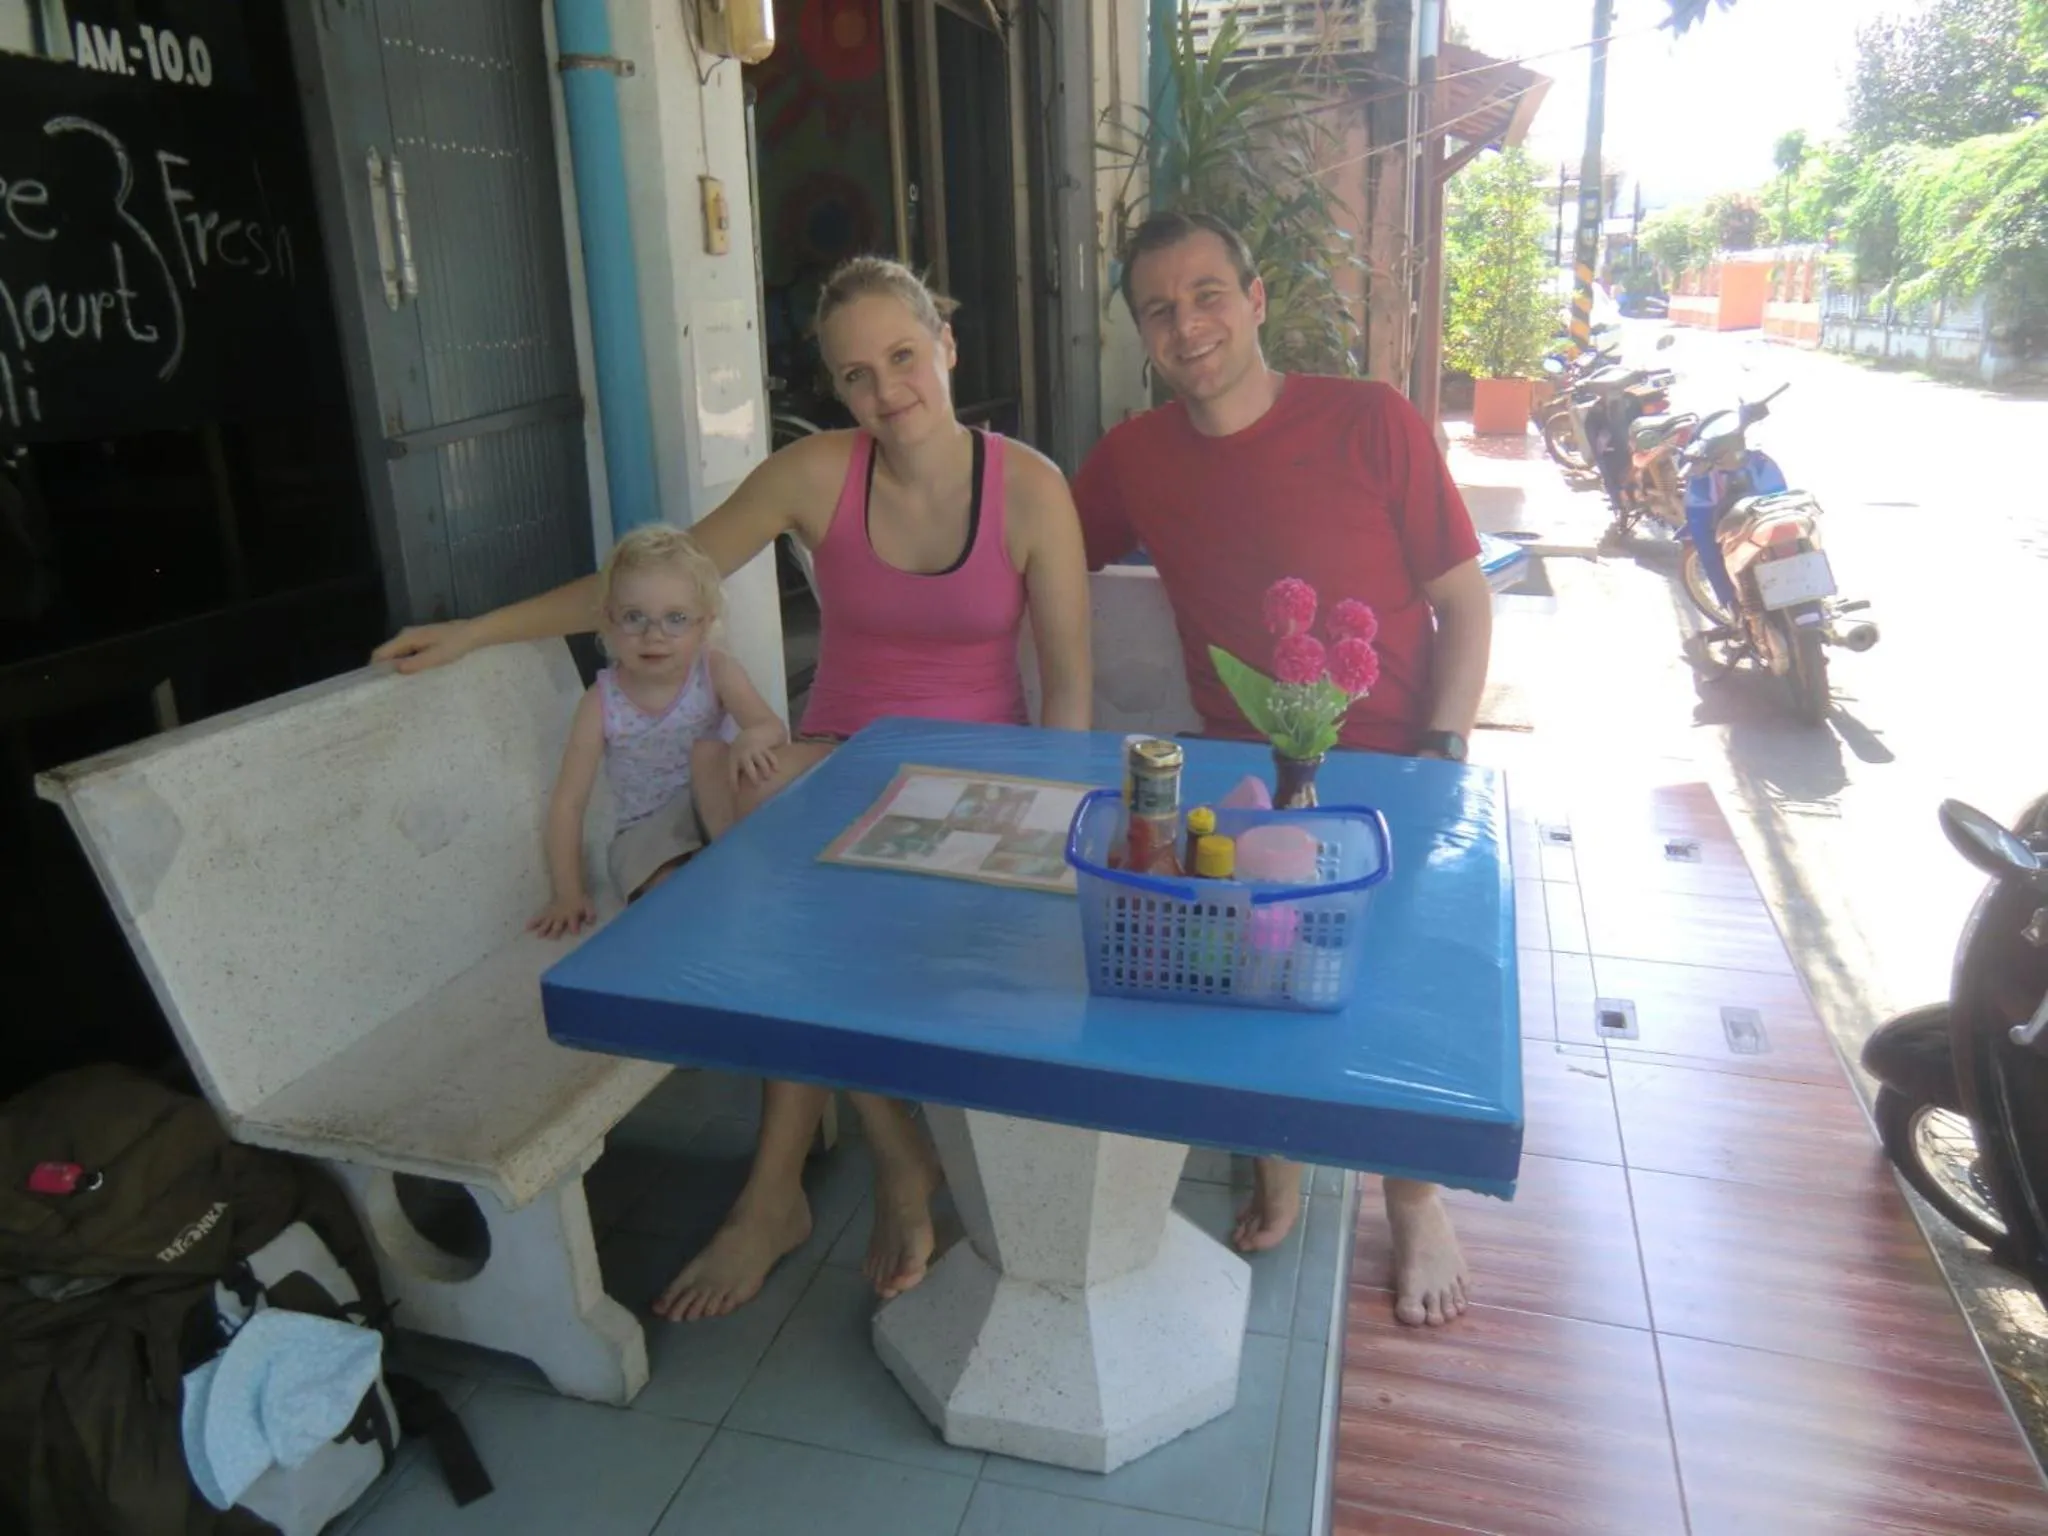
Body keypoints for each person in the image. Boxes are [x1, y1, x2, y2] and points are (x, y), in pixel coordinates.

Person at [373, 256, 1093, 1321]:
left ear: (945, 344)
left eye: (902, 356)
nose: (887, 391)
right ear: (836, 393)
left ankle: (781, 1198)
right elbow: (648, 586)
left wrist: (1055, 841)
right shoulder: (815, 478)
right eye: (856, 375)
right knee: (750, 811)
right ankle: (886, 1155)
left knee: (776, 890)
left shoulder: (1028, 488)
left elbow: (1071, 689)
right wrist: (480, 630)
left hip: (973, 784)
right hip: (840, 766)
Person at [1074, 210, 1494, 1328]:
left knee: (1394, 985)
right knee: (1250, 970)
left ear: (1256, 300)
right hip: (1238, 771)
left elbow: (1463, 599)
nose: (1188, 323)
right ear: (1141, 336)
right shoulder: (1133, 457)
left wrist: (1443, 758)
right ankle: (1282, 1154)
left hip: (1392, 760)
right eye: (1159, 308)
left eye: (1208, 293)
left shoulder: (1371, 421)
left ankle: (1410, 1199)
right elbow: (1033, 546)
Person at [528, 525, 786, 936]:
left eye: (676, 619)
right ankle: (721, 900)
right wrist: (568, 893)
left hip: (713, 808)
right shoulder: (601, 702)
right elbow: (568, 803)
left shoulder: (715, 670)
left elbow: (771, 727)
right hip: (646, 833)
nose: (654, 635)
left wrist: (753, 734)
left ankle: (739, 873)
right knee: (671, 898)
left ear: (704, 624)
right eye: (635, 618)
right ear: (608, 621)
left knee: (713, 756)